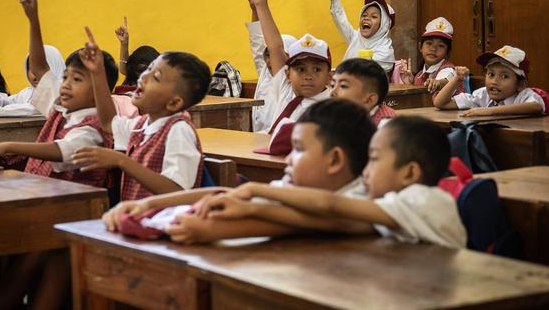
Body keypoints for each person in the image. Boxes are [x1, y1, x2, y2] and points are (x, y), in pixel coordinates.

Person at [101, 99, 375, 243]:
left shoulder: (361, 205)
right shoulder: (298, 190)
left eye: (299, 150)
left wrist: (209, 229)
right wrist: (146, 205)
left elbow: (286, 220)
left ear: (335, 160)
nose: (289, 159)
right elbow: (226, 193)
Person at [196, 116, 466, 249]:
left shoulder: (425, 200)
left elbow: (329, 205)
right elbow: (327, 221)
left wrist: (253, 191)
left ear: (409, 173)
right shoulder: (393, 205)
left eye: (373, 159)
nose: (366, 170)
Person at [0, 0, 119, 189]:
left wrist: (7, 146)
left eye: (77, 79)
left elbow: (60, 150)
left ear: (99, 89)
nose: (65, 85)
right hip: (39, 193)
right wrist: (33, 20)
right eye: (65, 77)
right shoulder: (61, 106)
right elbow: (39, 68)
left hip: (69, 209)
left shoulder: (91, 129)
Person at [72, 29, 211, 201]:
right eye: (149, 69)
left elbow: (177, 190)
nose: (144, 77)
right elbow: (108, 122)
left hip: (163, 224)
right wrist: (97, 72)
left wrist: (122, 161)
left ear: (174, 103)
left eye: (156, 77)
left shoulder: (179, 131)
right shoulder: (142, 125)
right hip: (136, 218)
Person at [248, 0, 331, 134]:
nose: (308, 76)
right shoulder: (285, 90)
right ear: (287, 74)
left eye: (317, 69)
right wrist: (261, 5)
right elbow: (274, 47)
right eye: (300, 69)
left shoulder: (330, 109)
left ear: (329, 76)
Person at [434, 45, 545, 116]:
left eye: (504, 76)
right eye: (491, 74)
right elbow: (441, 103)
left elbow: (535, 107)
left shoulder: (524, 95)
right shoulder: (483, 95)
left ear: (521, 84)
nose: (494, 81)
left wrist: (489, 111)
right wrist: (457, 80)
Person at [325, 0, 395, 73]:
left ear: (383, 25)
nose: (366, 18)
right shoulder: (355, 38)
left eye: (374, 16)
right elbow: (339, 16)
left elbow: (365, 72)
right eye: (364, 15)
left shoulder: (385, 51)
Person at [245, 0, 297, 131]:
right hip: (257, 139)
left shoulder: (291, 83)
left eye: (275, 56)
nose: (270, 61)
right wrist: (255, 10)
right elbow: (256, 41)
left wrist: (261, 6)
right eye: (267, 55)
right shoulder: (264, 72)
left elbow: (275, 46)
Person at [0, 45, 65, 117]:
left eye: (41, 68)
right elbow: (8, 102)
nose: (35, 73)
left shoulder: (60, 91)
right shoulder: (29, 91)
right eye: (31, 68)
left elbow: (32, 109)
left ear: (55, 66)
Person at [399, 17, 463, 95]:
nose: (433, 49)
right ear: (420, 47)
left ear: (448, 52)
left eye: (440, 46)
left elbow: (447, 80)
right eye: (429, 43)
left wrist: (437, 83)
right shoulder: (419, 75)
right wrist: (411, 84)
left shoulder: (449, 70)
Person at [330, 58, 395, 126]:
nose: (332, 93)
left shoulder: (386, 127)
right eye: (332, 85)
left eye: (343, 86)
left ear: (369, 100)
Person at [114, 16, 160, 92]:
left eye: (147, 69)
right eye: (139, 71)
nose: (143, 76)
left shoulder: (163, 89)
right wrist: (124, 44)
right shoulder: (127, 90)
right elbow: (124, 69)